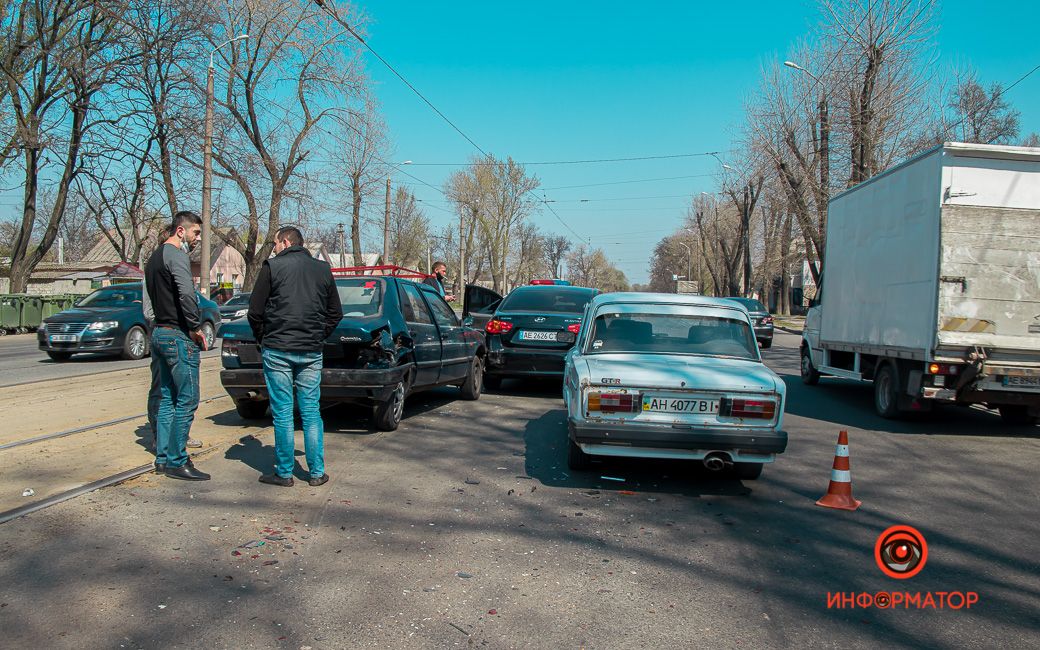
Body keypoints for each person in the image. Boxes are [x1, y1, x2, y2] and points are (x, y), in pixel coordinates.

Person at [248, 226, 342, 487]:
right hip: (311, 350)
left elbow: (255, 311)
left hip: (278, 348)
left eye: (276, 243)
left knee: (282, 412)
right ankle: (316, 473)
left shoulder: (272, 266)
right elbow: (336, 312)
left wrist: (263, 338)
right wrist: (318, 335)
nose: (275, 248)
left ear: (286, 241)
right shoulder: (323, 270)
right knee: (311, 411)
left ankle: (284, 472)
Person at [144, 211, 210, 481]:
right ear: (181, 231)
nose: (197, 239)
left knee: (168, 399)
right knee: (188, 398)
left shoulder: (153, 259)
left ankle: (163, 458)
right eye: (195, 233)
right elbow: (185, 293)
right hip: (177, 335)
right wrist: (195, 327)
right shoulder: (177, 256)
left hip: (159, 333)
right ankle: (177, 460)